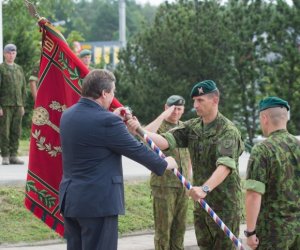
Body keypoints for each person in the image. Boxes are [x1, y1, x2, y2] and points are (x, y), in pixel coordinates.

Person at [59, 69, 178, 250]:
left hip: (72, 200)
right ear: (104, 93)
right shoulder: (107, 122)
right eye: (113, 92)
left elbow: (93, 136)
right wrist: (165, 163)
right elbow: (136, 150)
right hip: (98, 203)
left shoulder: (68, 115)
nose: (113, 96)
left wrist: (112, 118)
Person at [127, 80, 244, 249]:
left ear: (215, 100)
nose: (195, 105)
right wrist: (140, 130)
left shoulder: (228, 131)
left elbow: (225, 166)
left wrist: (204, 189)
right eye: (194, 100)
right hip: (201, 204)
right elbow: (165, 141)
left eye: (200, 100)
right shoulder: (193, 126)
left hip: (223, 206)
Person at [244, 96, 300, 250]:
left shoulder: (262, 150)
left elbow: (253, 194)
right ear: (286, 119)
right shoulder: (298, 145)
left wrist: (250, 232)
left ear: (264, 117)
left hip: (273, 233)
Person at [144, 95, 192, 250]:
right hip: (164, 185)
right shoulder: (159, 126)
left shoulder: (185, 128)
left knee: (180, 229)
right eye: (173, 108)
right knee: (163, 230)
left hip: (182, 186)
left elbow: (189, 155)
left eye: (179, 109)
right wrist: (163, 115)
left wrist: (189, 180)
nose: (176, 112)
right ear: (166, 107)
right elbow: (144, 134)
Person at [0, 44, 26, 165]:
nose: (11, 55)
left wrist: (22, 105)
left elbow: (23, 88)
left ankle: (13, 155)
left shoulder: (19, 68)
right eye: (9, 53)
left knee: (16, 130)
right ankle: (5, 155)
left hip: (17, 104)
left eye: (13, 53)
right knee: (5, 131)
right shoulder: (1, 68)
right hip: (5, 105)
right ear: (4, 54)